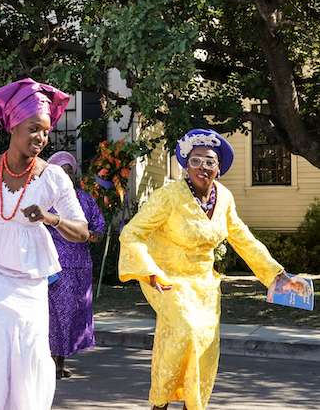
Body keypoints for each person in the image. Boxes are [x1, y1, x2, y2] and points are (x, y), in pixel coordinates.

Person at [118, 128, 308, 410]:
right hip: (166, 278)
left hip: (204, 284)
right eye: (195, 161)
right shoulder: (168, 196)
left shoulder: (225, 198)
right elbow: (132, 233)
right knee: (185, 330)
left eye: (209, 162)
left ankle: (192, 405)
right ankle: (159, 404)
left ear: (218, 168)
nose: (202, 168)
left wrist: (277, 276)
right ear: (186, 166)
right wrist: (149, 270)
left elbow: (243, 238)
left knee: (204, 346)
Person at [0, 78, 90, 410]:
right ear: (13, 127)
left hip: (31, 273)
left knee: (29, 343)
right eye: (33, 129)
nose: (41, 138)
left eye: (45, 131)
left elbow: (83, 231)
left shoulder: (54, 177)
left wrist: (51, 218)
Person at [46, 151, 105, 379]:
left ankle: (60, 360)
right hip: (55, 266)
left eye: (69, 171)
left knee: (71, 316)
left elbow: (98, 227)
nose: (66, 175)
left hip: (80, 266)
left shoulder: (84, 199)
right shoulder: (46, 200)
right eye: (61, 171)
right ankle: (53, 363)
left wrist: (90, 235)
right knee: (54, 315)